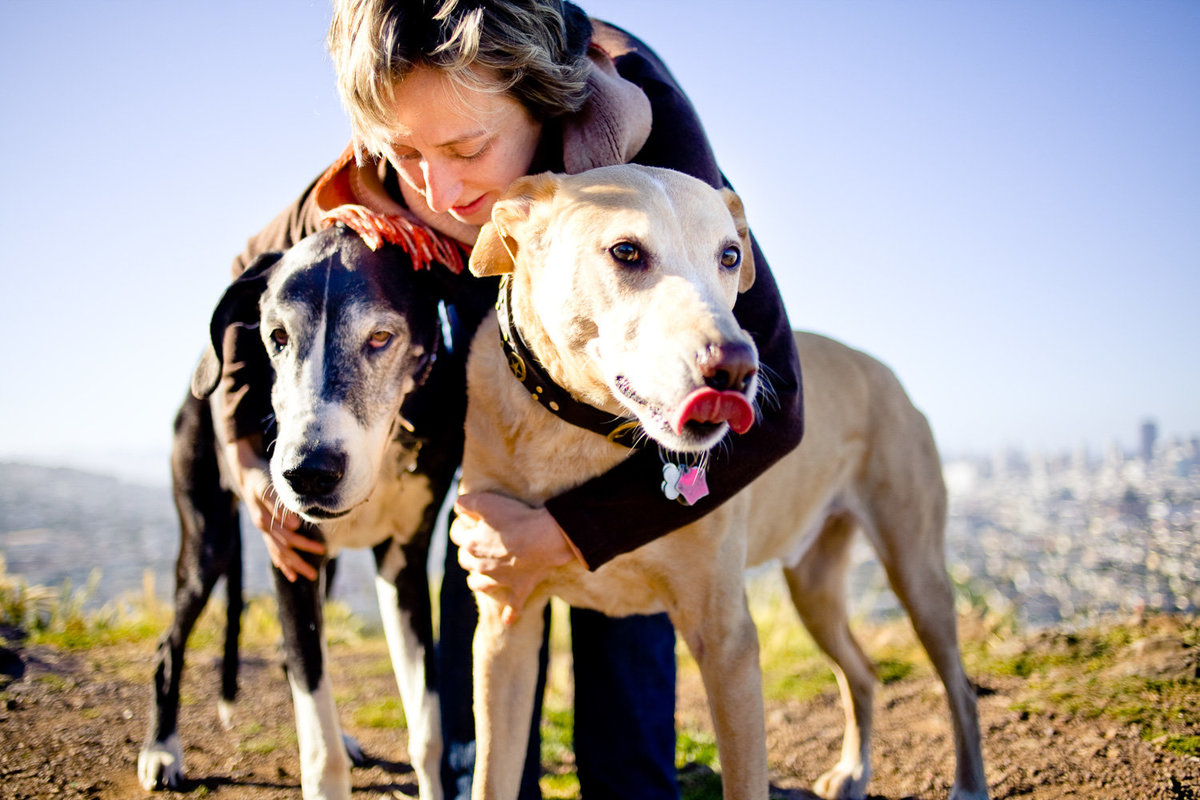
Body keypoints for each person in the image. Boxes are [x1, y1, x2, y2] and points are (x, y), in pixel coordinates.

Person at [215, 2, 805, 798]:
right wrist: (242, 449)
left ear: (544, 104)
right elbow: (254, 272)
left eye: (467, 148)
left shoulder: (662, 154)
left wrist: (566, 531)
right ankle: (476, 777)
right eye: (404, 152)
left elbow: (782, 404)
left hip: (619, 374)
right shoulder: (394, 151)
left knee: (624, 633)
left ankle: (631, 779)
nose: (441, 187)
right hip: (480, 331)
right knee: (487, 545)